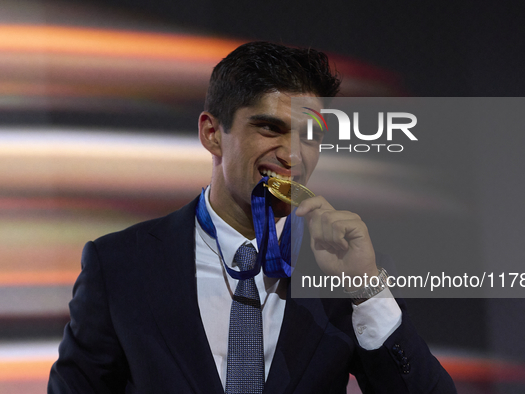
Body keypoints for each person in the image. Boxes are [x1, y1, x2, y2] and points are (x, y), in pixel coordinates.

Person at [48, 41, 456, 393]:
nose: (293, 156)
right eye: (270, 128)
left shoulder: (344, 270)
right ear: (212, 134)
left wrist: (365, 289)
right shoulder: (120, 264)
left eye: (310, 136)